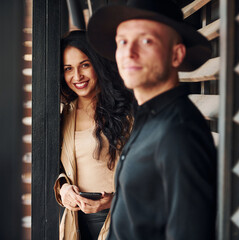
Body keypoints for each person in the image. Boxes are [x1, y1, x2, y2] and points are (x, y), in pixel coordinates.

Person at [87, 0, 217, 239]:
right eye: (122, 41)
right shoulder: (149, 117)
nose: (129, 52)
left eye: (146, 41)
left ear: (176, 54)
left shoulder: (179, 132)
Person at [53, 30, 133, 240]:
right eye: (68, 68)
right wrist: (64, 191)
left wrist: (112, 200)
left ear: (98, 64)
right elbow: (60, 169)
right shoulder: (65, 116)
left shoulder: (125, 112)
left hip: (120, 218)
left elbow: (148, 174)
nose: (77, 76)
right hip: (77, 223)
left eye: (85, 65)